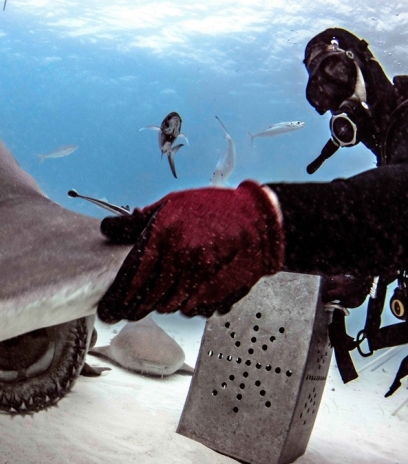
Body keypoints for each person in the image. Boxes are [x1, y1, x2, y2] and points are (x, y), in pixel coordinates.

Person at [97, 28, 408, 324]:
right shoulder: (392, 139)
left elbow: (397, 202)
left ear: (362, 59)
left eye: (337, 72)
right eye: (321, 92)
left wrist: (263, 220)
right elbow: (390, 224)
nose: (338, 97)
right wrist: (361, 268)